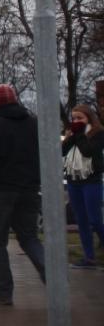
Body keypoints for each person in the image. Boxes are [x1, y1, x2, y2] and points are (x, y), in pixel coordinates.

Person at [0, 84, 46, 306]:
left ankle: (3, 292)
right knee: (29, 237)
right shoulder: (34, 124)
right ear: (16, 100)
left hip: (2, 191)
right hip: (29, 190)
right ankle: (53, 277)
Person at [62, 104, 104, 268]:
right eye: (74, 118)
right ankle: (89, 258)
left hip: (91, 180)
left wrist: (78, 134)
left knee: (95, 219)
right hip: (74, 180)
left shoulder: (98, 133)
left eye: (80, 118)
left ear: (89, 118)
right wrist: (70, 136)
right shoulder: (74, 134)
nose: (77, 121)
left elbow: (88, 151)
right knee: (82, 220)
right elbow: (62, 151)